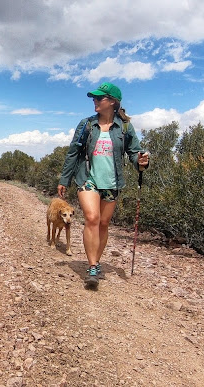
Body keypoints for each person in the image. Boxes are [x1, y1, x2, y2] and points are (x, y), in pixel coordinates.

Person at [57, 82, 149, 289]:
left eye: (99, 98)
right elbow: (73, 152)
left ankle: (96, 262)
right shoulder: (86, 125)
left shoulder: (124, 127)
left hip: (112, 181)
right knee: (92, 218)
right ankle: (91, 267)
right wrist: (65, 179)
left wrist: (141, 161)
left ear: (113, 102)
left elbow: (134, 152)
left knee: (104, 224)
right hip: (87, 178)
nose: (95, 101)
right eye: (94, 98)